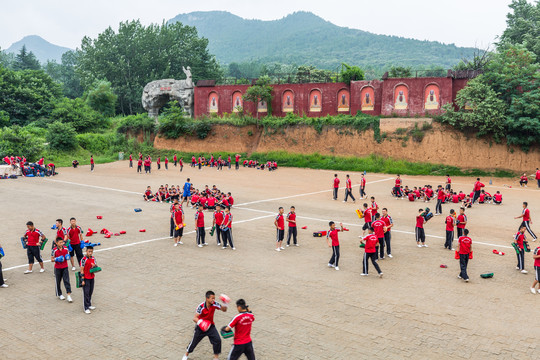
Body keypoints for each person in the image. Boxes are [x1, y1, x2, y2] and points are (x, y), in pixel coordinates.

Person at [182, 290, 228, 360]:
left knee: (217, 340)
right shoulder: (201, 306)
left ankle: (216, 358)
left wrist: (225, 303)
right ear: (207, 298)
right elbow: (195, 318)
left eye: (214, 298)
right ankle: (186, 355)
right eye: (212, 298)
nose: (213, 300)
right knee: (194, 342)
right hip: (200, 328)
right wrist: (201, 323)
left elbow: (224, 310)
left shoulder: (215, 304)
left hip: (211, 326)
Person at [51, 237, 72, 302]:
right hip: (57, 268)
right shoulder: (54, 250)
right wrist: (56, 259)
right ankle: (59, 294)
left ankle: (68, 295)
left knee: (67, 281)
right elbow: (52, 259)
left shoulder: (66, 248)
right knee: (58, 281)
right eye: (60, 242)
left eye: (62, 242)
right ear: (56, 243)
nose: (62, 243)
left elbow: (68, 255)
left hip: (65, 267)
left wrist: (67, 257)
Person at [81, 246, 98, 314]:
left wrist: (94, 266)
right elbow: (82, 270)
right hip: (86, 278)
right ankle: (86, 307)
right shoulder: (83, 259)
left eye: (91, 252)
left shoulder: (93, 258)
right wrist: (82, 280)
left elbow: (97, 268)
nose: (90, 253)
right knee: (86, 293)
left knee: (90, 292)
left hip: (92, 278)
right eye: (89, 251)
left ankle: (89, 304)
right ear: (86, 251)